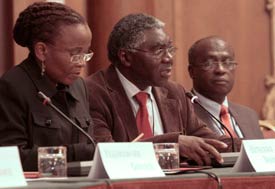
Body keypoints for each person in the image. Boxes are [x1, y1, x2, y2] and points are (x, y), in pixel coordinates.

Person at [86, 13, 241, 166]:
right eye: (158, 50)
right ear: (126, 57)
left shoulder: (174, 92)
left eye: (170, 49)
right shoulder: (93, 92)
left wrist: (256, 148)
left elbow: (209, 141)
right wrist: (171, 144)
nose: (169, 58)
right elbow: (104, 152)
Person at [0, 2, 95, 171]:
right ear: (42, 51)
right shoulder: (11, 86)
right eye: (75, 54)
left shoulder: (80, 86)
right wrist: (76, 153)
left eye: (85, 53)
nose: (82, 63)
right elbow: (10, 159)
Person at [188, 36, 263, 139]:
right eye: (209, 63)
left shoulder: (249, 115)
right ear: (192, 71)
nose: (220, 70)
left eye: (227, 63)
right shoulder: (183, 114)